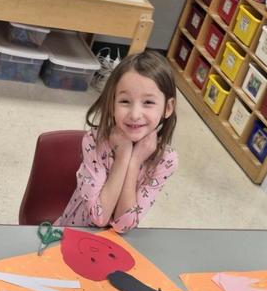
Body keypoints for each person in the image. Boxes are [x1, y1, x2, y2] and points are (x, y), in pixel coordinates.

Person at [56, 51, 177, 234]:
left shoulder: (165, 160)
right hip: (69, 235)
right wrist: (123, 157)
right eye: (125, 101)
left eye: (148, 102)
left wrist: (134, 162)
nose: (135, 114)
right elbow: (99, 217)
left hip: (115, 246)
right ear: (112, 105)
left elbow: (124, 225)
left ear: (168, 108)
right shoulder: (94, 141)